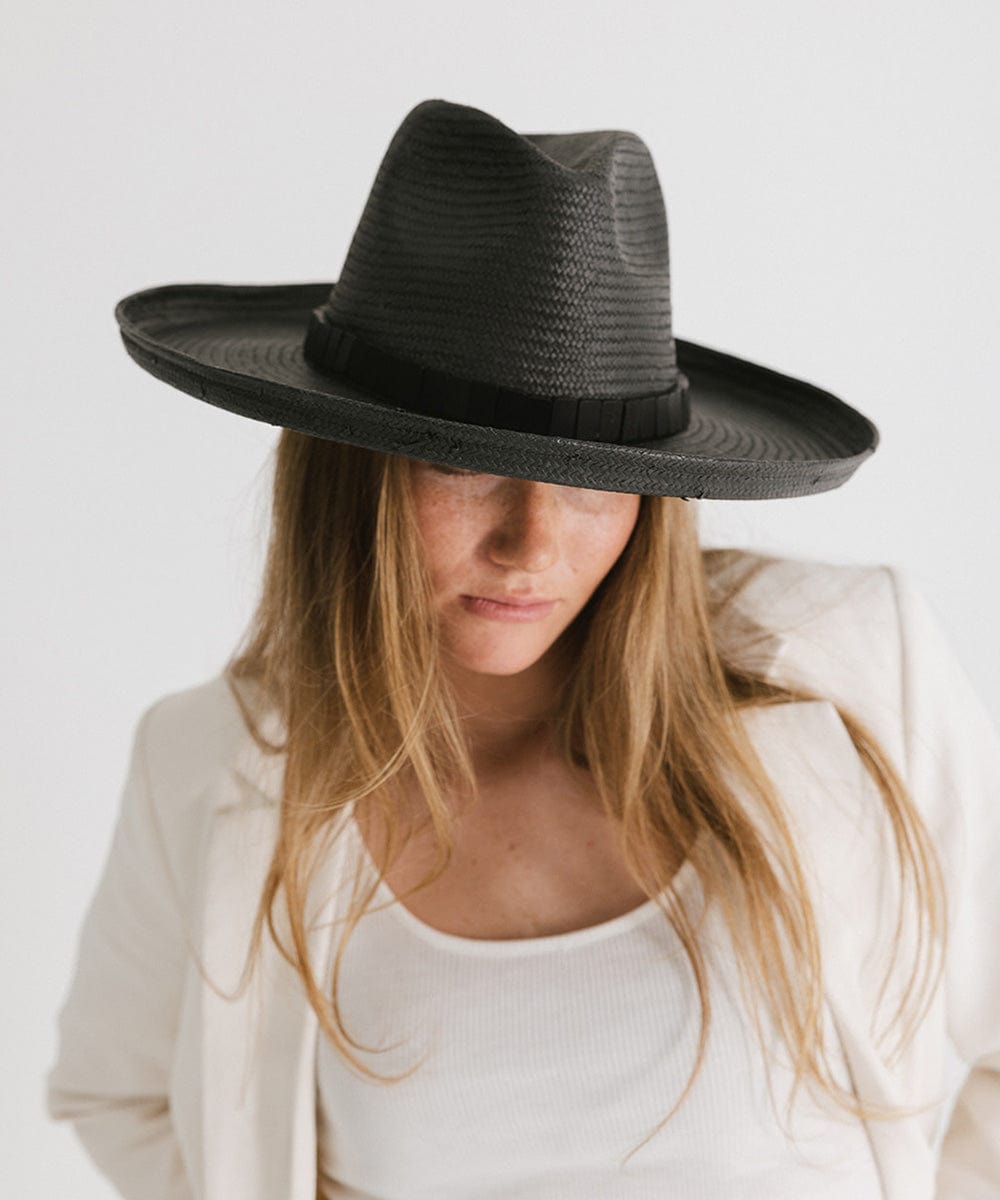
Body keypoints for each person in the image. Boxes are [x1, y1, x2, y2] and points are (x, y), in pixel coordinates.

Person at [45, 98, 1000, 1200]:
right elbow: (115, 1095)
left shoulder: (854, 667)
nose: (531, 545)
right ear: (348, 470)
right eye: (463, 466)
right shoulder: (209, 765)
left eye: (595, 481)